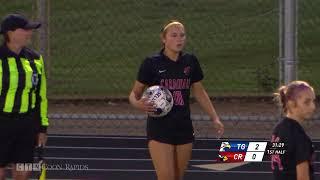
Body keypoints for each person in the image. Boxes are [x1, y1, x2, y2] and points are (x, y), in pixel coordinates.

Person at [129, 20, 224, 180]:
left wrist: (214, 117)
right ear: (163, 39)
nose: (179, 39)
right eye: (174, 35)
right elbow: (134, 94)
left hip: (184, 126)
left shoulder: (190, 61)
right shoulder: (151, 63)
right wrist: (138, 104)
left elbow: (199, 92)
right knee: (166, 177)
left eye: (182, 35)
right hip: (160, 128)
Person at [0, 13, 49, 180]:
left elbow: (41, 96)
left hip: (26, 125)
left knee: (22, 173)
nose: (30, 33)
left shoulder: (35, 59)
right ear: (10, 33)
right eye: (25, 30)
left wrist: (42, 127)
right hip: (2, 123)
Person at [271, 80, 316, 180]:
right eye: (307, 102)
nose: (313, 107)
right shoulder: (300, 137)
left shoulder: (279, 129)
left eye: (313, 101)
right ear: (291, 104)